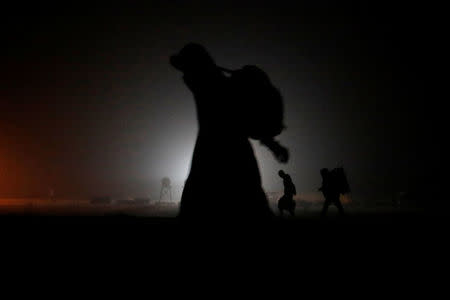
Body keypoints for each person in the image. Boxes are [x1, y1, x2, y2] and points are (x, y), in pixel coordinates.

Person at [170, 43, 286, 222]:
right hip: (239, 159)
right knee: (251, 207)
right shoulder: (230, 91)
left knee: (196, 210)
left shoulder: (211, 85)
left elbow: (185, 65)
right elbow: (251, 125)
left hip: (209, 157)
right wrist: (274, 146)